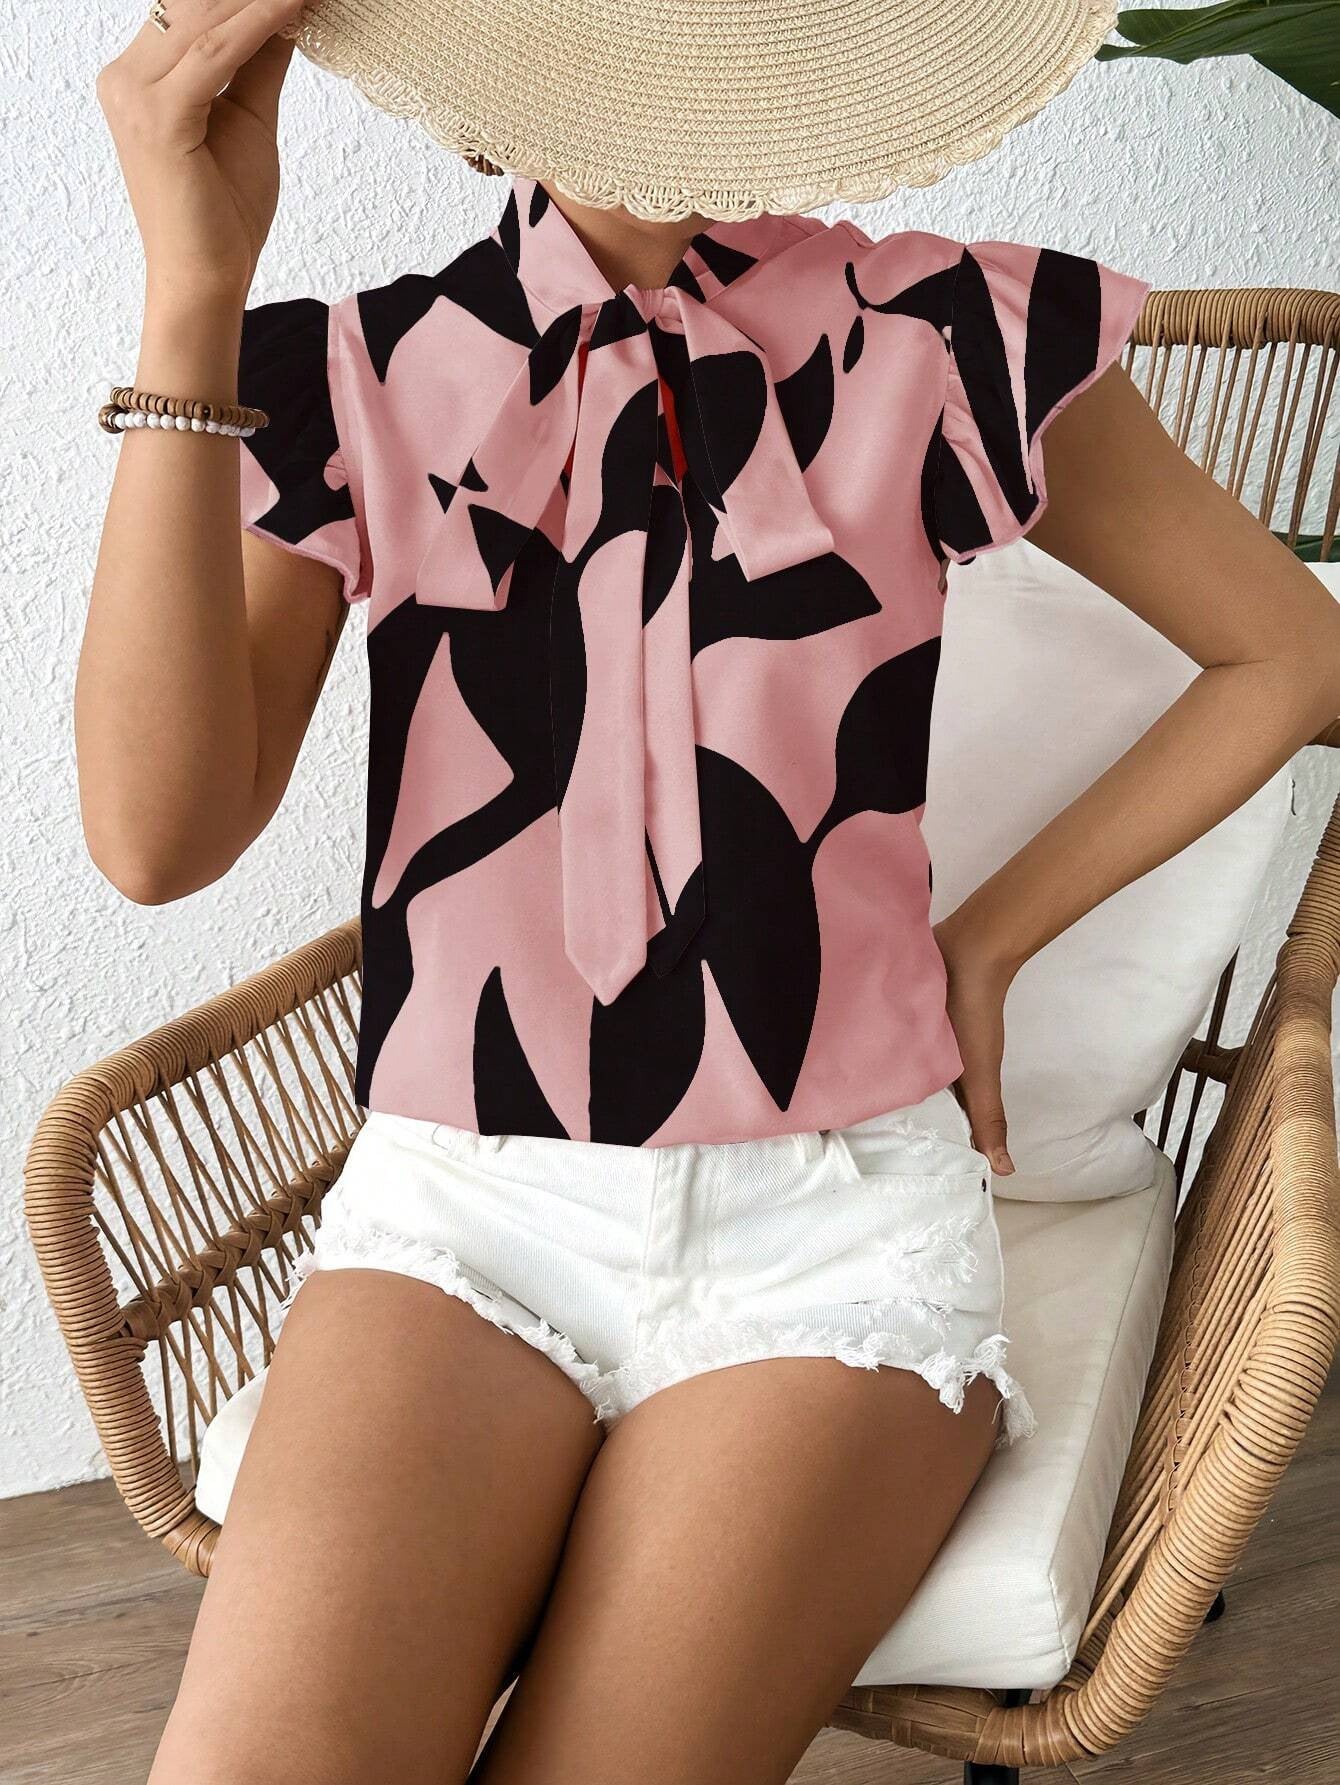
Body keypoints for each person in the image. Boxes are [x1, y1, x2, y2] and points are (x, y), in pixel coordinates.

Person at [82, 4, 1340, 1782]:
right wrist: (190, 289)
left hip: (833, 1238)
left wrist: (987, 942)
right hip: (462, 1215)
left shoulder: (944, 332)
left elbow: (1293, 653)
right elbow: (155, 841)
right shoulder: (356, 374)